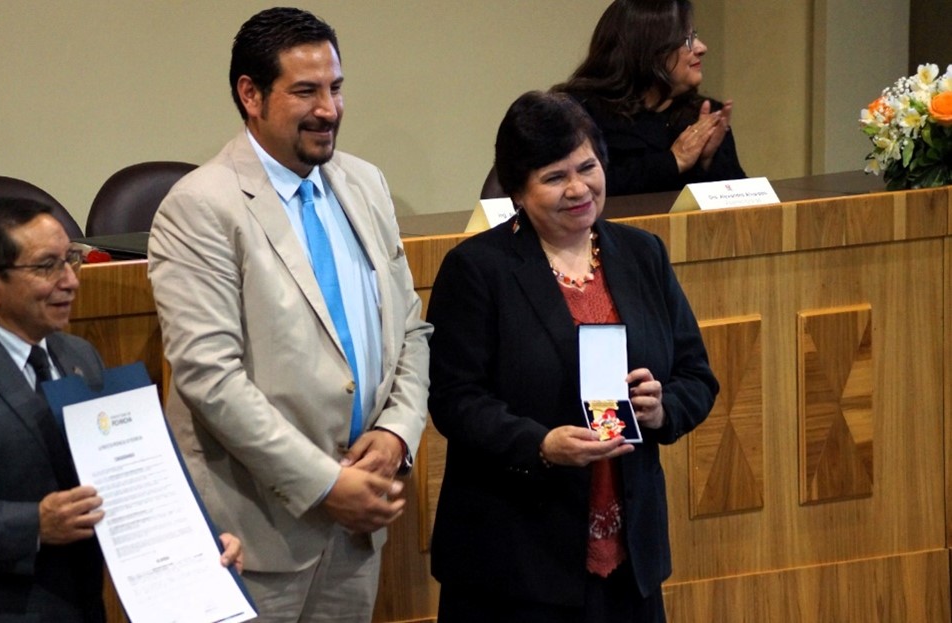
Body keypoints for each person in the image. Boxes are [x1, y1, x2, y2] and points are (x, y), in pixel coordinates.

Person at [147, 7, 431, 622]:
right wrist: (327, 485)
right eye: (305, 91)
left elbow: (409, 328)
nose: (328, 108)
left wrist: (397, 433)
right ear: (250, 95)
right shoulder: (199, 206)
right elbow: (209, 377)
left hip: (357, 532)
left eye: (335, 87)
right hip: (253, 539)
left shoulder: (365, 183)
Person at [427, 91, 719, 622]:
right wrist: (540, 444)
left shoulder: (642, 252)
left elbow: (697, 376)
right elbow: (454, 400)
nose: (579, 188)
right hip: (514, 564)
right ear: (517, 189)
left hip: (631, 560)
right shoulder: (477, 268)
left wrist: (662, 408)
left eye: (587, 167)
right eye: (555, 176)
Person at [0, 197, 242, 622]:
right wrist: (33, 524)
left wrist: (196, 544)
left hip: (82, 607)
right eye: (46, 266)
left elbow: (122, 475)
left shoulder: (79, 356)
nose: (70, 281)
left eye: (71, 259)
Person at [553, 0, 746, 196]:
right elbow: (577, 191)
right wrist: (673, 161)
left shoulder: (704, 114)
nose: (701, 48)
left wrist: (707, 162)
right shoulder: (577, 113)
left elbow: (742, 205)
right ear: (648, 49)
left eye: (694, 37)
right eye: (686, 40)